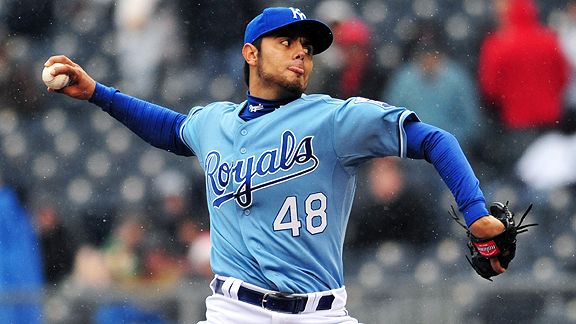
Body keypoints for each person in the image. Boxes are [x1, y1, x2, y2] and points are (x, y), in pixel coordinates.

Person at [44, 7, 507, 323]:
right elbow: (170, 129)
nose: (301, 52)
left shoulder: (334, 118)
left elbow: (435, 140)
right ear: (251, 53)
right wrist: (98, 94)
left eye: (306, 45)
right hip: (234, 311)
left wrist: (474, 210)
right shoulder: (214, 122)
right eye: (286, 42)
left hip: (318, 312)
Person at [478, 0, 569, 174]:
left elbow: (490, 88)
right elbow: (563, 79)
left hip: (517, 125)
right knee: (552, 176)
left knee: (521, 180)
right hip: (550, 122)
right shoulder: (550, 40)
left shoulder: (498, 44)